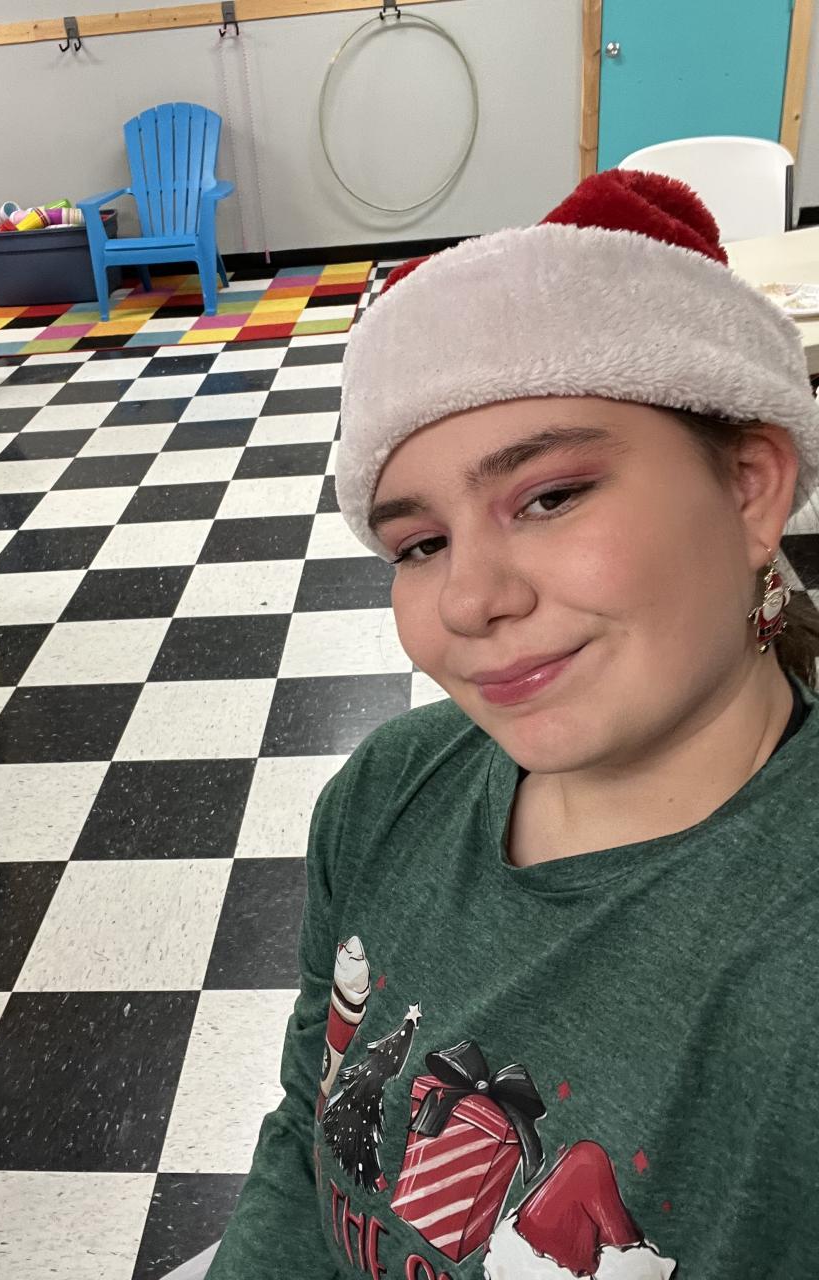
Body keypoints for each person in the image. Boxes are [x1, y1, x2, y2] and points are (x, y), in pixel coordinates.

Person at [205, 169, 819, 1279]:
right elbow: (307, 1127)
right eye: (420, 544)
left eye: (550, 496)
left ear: (749, 487)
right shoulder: (391, 788)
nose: (470, 599)